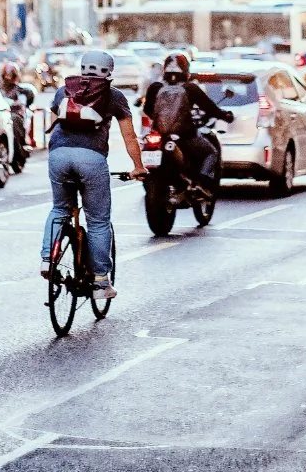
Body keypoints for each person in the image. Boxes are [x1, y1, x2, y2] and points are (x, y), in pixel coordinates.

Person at [41, 49, 145, 298]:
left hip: (59, 155)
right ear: (109, 72)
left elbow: (52, 125)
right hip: (91, 158)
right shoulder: (114, 96)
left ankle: (48, 258)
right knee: (98, 221)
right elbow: (129, 136)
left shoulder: (63, 90)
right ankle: (100, 282)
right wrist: (138, 167)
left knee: (59, 209)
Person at [140, 50, 232, 193]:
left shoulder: (155, 87)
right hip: (185, 136)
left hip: (159, 136)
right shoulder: (190, 88)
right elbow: (209, 108)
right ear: (185, 69)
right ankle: (202, 183)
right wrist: (225, 115)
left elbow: (147, 109)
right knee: (211, 152)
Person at [0, 61, 35, 172]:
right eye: (6, 75)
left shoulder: (21, 90)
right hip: (2, 115)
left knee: (14, 120)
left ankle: (20, 149)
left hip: (15, 115)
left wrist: (17, 103)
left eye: (11, 75)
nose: (8, 78)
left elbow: (24, 102)